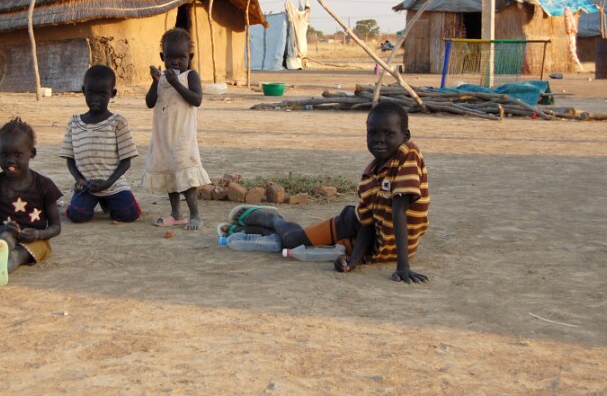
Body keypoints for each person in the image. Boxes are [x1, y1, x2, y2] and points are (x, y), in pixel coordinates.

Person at [224, 101, 430, 283]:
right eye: (373, 133)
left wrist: (352, 262)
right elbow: (366, 224)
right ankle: (271, 219)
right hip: (350, 223)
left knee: (288, 244)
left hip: (374, 248)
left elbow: (397, 211)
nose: (379, 139)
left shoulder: (408, 154)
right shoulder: (369, 176)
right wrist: (402, 268)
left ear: (405, 136)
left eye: (388, 133)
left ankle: (251, 230)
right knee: (291, 241)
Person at [0, 117, 62, 286]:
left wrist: (39, 234)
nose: (10, 160)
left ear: (32, 153)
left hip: (37, 241)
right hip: (4, 238)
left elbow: (56, 227)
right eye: (4, 154)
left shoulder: (44, 186)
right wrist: (4, 229)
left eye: (17, 154)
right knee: (4, 240)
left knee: (18, 255)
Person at [140, 27, 211, 230]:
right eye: (170, 57)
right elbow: (149, 102)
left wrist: (176, 84)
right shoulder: (162, 79)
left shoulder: (190, 76)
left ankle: (195, 215)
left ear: (190, 57)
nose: (176, 62)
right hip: (164, 137)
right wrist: (156, 82)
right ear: (162, 57)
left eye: (181, 57)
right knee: (170, 176)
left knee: (185, 178)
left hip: (183, 138)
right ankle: (176, 214)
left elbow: (196, 100)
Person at [60, 64, 141, 223]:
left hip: (113, 184)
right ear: (83, 91)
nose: (95, 98)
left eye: (102, 93)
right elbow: (70, 159)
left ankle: (108, 201)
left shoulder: (118, 123)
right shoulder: (74, 123)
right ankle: (96, 201)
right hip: (87, 186)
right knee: (77, 215)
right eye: (90, 92)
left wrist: (109, 183)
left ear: (113, 94)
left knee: (129, 214)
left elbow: (126, 162)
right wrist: (79, 180)